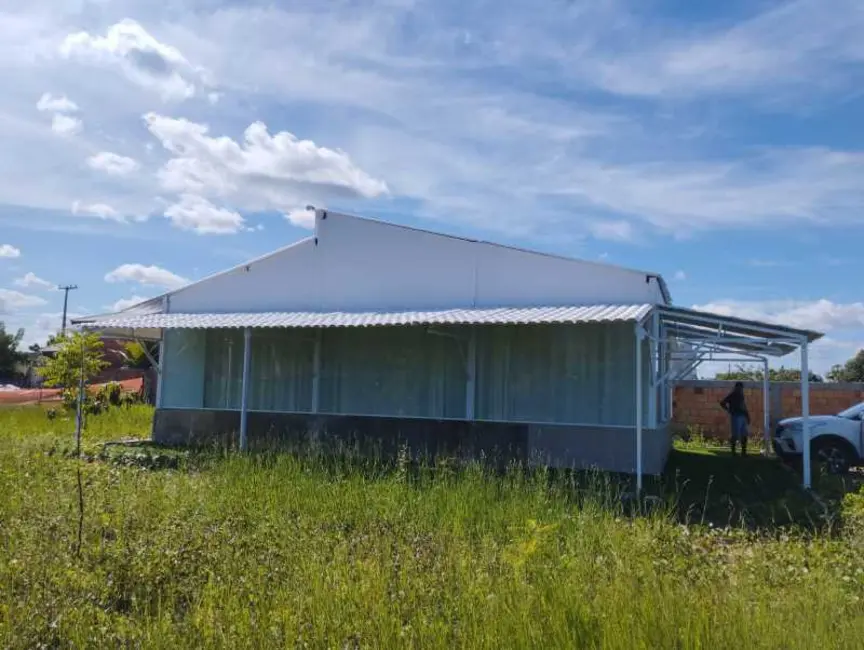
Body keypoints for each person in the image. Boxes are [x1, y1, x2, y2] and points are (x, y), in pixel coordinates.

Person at [720, 381, 750, 457]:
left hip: (743, 416)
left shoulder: (741, 395)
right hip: (736, 416)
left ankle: (743, 452)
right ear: (736, 387)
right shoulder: (732, 395)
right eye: (739, 387)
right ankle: (733, 452)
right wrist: (729, 410)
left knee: (744, 434)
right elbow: (722, 403)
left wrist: (747, 416)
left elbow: (744, 406)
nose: (740, 389)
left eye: (741, 388)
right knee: (735, 435)